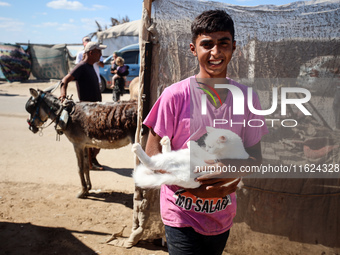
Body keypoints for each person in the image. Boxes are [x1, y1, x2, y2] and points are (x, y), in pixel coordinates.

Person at [142, 10, 268, 254]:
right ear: (193, 49)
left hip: (222, 215)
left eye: (224, 43)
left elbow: (256, 158)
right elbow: (152, 156)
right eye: (207, 44)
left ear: (234, 47)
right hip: (180, 213)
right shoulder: (174, 96)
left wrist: (229, 169)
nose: (216, 53)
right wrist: (193, 185)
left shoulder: (248, 98)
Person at [59, 41, 107, 171]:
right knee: (94, 139)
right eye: (99, 52)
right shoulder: (81, 66)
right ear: (91, 53)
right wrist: (63, 95)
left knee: (99, 139)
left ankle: (91, 160)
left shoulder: (91, 66)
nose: (101, 55)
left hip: (96, 108)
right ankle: (90, 161)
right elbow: (65, 80)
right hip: (88, 111)